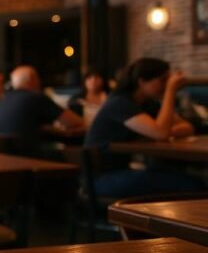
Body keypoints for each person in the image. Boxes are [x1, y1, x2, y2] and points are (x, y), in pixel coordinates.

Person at [85, 57, 203, 197]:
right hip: (102, 180)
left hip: (121, 171)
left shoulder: (147, 103)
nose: (166, 85)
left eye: (168, 81)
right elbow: (161, 133)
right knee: (189, 183)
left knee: (178, 176)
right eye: (163, 80)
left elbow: (187, 127)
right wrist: (170, 91)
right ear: (142, 81)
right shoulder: (120, 103)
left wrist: (161, 131)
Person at [0, 65, 82, 152]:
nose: (39, 81)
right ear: (32, 79)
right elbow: (74, 122)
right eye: (37, 78)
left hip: (4, 155)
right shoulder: (35, 97)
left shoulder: (5, 98)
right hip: (28, 157)